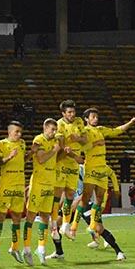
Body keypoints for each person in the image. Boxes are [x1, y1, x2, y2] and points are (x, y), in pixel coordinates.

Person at [69, 108, 135, 260]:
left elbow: (116, 131)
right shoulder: (85, 132)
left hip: (101, 172)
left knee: (99, 210)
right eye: (93, 116)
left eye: (96, 116)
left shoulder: (100, 130)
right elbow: (78, 141)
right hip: (91, 171)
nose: (96, 118)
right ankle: (72, 227)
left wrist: (130, 123)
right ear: (86, 119)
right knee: (85, 199)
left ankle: (117, 250)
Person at [23, 118, 61, 266]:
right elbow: (41, 159)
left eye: (55, 130)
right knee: (31, 216)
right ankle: (26, 248)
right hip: (38, 184)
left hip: (50, 184)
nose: (54, 132)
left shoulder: (55, 141)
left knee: (45, 216)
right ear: (45, 128)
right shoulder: (38, 140)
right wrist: (54, 150)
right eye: (52, 129)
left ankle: (41, 248)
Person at [53, 100, 88, 259]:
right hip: (61, 163)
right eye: (69, 112)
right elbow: (59, 145)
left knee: (69, 196)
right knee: (58, 196)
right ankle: (56, 223)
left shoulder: (79, 121)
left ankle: (65, 226)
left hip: (74, 164)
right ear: (63, 114)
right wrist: (67, 146)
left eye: (73, 112)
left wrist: (76, 138)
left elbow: (85, 139)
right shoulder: (59, 124)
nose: (72, 115)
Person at [0, 121, 27, 264]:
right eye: (16, 132)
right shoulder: (1, 144)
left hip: (19, 184)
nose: (19, 134)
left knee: (17, 216)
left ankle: (15, 247)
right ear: (9, 132)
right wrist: (9, 157)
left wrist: (31, 154)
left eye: (20, 132)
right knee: (0, 216)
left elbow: (23, 160)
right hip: (6, 184)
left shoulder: (23, 143)